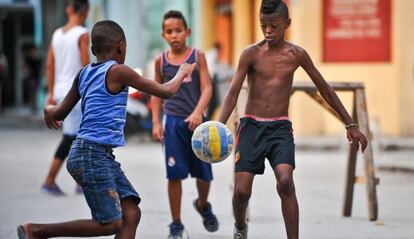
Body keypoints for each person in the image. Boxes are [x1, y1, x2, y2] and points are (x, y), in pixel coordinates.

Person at [17, 20, 195, 239]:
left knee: (131, 213)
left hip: (93, 154)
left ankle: (37, 231)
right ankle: (37, 231)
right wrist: (182, 72)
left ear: (93, 50)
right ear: (122, 47)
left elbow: (59, 113)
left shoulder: (83, 74)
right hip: (92, 156)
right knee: (110, 223)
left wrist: (48, 111)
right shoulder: (118, 71)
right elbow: (166, 91)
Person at [217, 1, 368, 238]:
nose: (268, 31)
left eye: (273, 26)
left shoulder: (296, 55)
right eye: (263, 25)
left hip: (280, 128)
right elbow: (233, 92)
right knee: (241, 193)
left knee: (286, 182)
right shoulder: (251, 54)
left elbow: (324, 89)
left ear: (287, 24)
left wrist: (350, 123)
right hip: (251, 127)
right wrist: (218, 125)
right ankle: (240, 227)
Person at [151, 10, 218, 239]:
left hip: (198, 125)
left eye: (178, 30)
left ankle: (202, 204)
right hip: (172, 124)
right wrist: (155, 122)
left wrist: (199, 111)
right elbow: (156, 94)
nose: (174, 35)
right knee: (174, 175)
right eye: (169, 32)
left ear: (187, 32)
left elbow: (208, 87)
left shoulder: (197, 56)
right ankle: (176, 224)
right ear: (163, 35)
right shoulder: (161, 61)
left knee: (204, 174)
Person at [41, 0, 90, 196]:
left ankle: (80, 182)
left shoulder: (57, 34)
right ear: (85, 11)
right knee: (72, 137)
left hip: (61, 91)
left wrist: (52, 93)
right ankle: (50, 180)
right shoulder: (82, 34)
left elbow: (50, 65)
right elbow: (86, 66)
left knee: (77, 136)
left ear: (70, 10)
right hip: (75, 93)